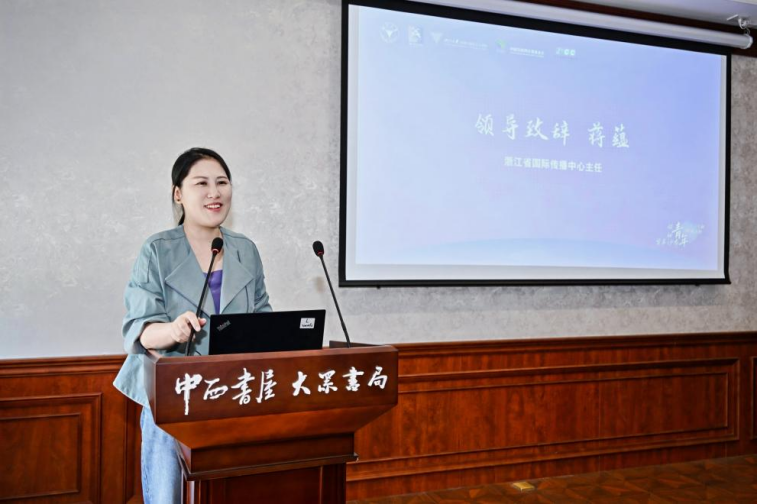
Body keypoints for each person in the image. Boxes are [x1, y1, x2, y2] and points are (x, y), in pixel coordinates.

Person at [113, 147, 272, 504]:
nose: (215, 192)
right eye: (201, 183)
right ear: (178, 194)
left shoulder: (245, 250)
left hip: (233, 392)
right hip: (172, 395)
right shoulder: (157, 250)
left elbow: (262, 317)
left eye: (222, 182)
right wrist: (173, 330)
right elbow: (138, 329)